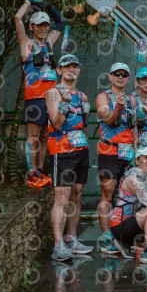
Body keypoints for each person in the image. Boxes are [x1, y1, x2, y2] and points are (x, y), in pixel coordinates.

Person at [45, 54, 93, 261]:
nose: (71, 69)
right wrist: (64, 104)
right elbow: (56, 123)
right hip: (62, 148)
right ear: (59, 70)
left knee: (77, 194)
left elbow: (84, 124)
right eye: (67, 66)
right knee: (62, 198)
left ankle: (71, 238)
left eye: (75, 66)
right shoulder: (53, 93)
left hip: (80, 147)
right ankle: (58, 245)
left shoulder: (82, 96)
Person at [14, 0, 65, 188]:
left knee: (45, 137)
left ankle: (40, 170)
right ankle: (32, 173)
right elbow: (17, 18)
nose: (43, 28)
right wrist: (29, 1)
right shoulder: (27, 44)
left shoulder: (49, 43)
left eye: (45, 25)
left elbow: (61, 23)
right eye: (39, 25)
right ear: (32, 27)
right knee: (33, 136)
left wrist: (48, 5)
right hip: (35, 99)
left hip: (51, 100)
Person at [96, 62, 138, 254]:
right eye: (117, 74)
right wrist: (118, 108)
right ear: (110, 76)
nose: (120, 77)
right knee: (108, 193)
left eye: (124, 74)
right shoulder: (103, 97)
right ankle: (106, 237)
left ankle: (124, 233)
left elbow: (134, 126)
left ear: (128, 78)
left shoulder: (132, 99)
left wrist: (136, 150)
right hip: (109, 152)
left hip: (128, 153)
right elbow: (109, 119)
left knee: (128, 194)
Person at [109, 147, 147, 264]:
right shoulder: (133, 178)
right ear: (137, 161)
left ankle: (131, 245)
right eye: (146, 158)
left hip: (135, 223)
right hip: (120, 226)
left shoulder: (143, 178)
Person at [132, 67, 147, 149]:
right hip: (132, 146)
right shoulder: (130, 99)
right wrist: (141, 114)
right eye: (144, 79)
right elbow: (126, 124)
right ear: (136, 81)